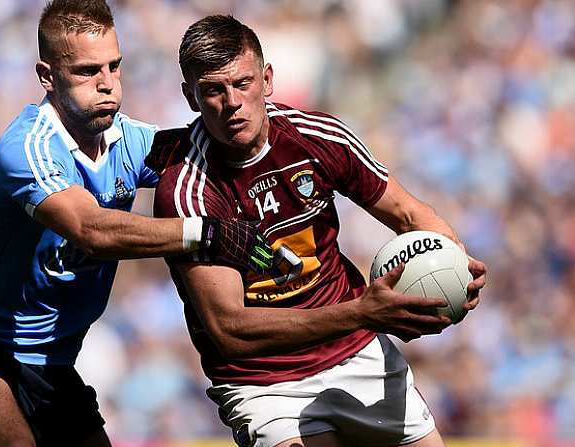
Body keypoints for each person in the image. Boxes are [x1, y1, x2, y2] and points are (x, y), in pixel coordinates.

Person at [0, 3, 273, 447]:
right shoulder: (27, 148)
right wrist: (208, 232)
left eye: (114, 66)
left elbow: (212, 161)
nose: (106, 84)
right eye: (86, 71)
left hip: (54, 365)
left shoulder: (131, 141)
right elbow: (92, 230)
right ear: (47, 76)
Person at [149, 15, 488, 447]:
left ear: (267, 80)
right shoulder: (187, 191)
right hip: (266, 382)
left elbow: (409, 214)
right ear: (191, 98)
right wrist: (362, 312)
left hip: (356, 352)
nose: (232, 102)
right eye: (213, 90)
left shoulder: (318, 137)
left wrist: (457, 264)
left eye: (243, 83)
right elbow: (229, 328)